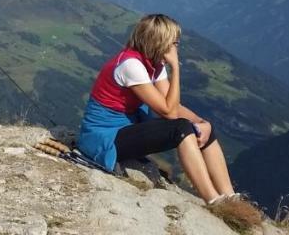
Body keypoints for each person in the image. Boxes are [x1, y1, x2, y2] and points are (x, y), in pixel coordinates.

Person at [77, 13, 238, 204]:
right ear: (159, 42)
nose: (176, 47)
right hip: (105, 138)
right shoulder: (131, 65)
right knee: (182, 129)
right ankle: (214, 201)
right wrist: (176, 69)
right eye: (174, 42)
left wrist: (203, 123)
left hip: (127, 129)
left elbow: (174, 107)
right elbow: (168, 112)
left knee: (202, 128)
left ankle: (231, 199)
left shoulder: (153, 65)